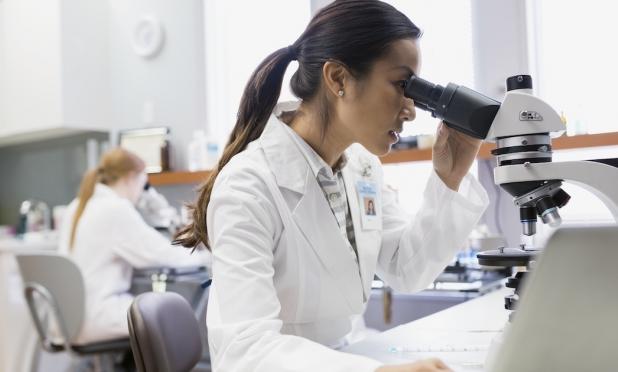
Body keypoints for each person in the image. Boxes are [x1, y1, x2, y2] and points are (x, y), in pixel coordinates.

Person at [175, 1, 489, 371]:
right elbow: (245, 351)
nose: (411, 109)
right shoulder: (248, 186)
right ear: (338, 79)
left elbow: (406, 268)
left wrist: (448, 179)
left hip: (352, 355)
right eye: (402, 85)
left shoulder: (361, 168)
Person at [58, 147, 209, 344]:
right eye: (143, 184)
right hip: (96, 316)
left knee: (152, 308)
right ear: (131, 177)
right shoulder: (115, 208)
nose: (141, 192)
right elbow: (159, 254)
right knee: (169, 313)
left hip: (67, 318)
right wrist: (205, 257)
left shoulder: (77, 205)